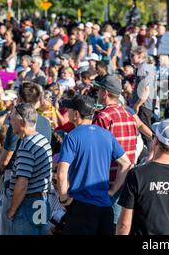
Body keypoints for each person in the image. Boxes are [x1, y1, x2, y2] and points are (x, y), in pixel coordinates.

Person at [57, 94, 131, 235]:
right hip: (104, 207)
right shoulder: (107, 135)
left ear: (76, 113)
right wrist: (112, 191)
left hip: (81, 207)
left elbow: (61, 174)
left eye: (69, 109)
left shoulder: (72, 136)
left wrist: (63, 197)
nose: (67, 112)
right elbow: (126, 164)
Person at [0, 82, 52, 235]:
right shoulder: (41, 138)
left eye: (12, 120)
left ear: (21, 122)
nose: (10, 122)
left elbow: (22, 183)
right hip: (41, 199)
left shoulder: (27, 146)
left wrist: (12, 209)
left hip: (28, 202)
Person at [92, 74, 138, 225]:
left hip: (106, 185)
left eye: (99, 90)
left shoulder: (103, 117)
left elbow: (95, 156)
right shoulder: (129, 115)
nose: (97, 93)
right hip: (125, 183)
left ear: (105, 93)